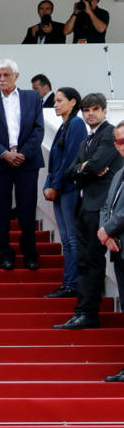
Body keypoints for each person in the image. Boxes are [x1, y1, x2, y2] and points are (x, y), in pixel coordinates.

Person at [54, 94, 123, 331]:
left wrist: (85, 167)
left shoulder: (110, 134)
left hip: (103, 210)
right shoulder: (86, 140)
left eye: (95, 109)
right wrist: (85, 168)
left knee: (92, 262)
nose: (90, 113)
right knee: (84, 261)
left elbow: (93, 165)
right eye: (86, 110)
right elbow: (69, 172)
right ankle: (84, 312)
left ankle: (88, 313)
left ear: (105, 111)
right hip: (85, 208)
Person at [0, 58, 46, 270]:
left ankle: (29, 254)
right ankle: (5, 255)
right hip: (0, 163)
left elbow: (38, 129)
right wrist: (5, 154)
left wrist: (22, 154)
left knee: (27, 210)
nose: (1, 79)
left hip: (27, 162)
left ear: (16, 76)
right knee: (1, 212)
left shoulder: (32, 97)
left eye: (6, 75)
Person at [42, 88, 88, 300]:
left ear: (73, 102)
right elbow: (55, 161)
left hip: (69, 189)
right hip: (61, 189)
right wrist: (48, 183)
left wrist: (55, 185)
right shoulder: (64, 125)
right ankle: (69, 282)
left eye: (60, 101)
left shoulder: (77, 124)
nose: (56, 104)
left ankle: (74, 284)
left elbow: (71, 159)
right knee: (67, 240)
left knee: (72, 239)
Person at [100, 124, 124, 381]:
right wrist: (104, 231)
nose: (121, 145)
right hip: (119, 251)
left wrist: (107, 229)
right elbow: (108, 206)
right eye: (118, 142)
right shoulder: (119, 174)